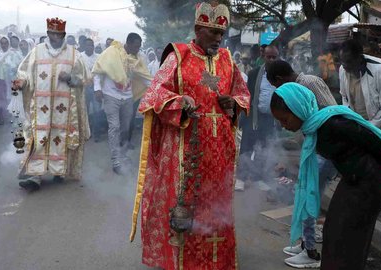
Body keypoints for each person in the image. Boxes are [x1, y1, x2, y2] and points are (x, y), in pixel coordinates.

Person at [129, 2, 251, 269]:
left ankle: (215, 260)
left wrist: (235, 104)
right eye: (212, 32)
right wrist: (180, 102)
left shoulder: (229, 60)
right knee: (187, 204)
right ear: (197, 29)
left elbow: (243, 93)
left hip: (220, 152)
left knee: (216, 206)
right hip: (187, 150)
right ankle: (182, 262)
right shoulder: (178, 56)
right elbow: (154, 95)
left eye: (221, 33)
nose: (218, 39)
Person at [270, 82, 381, 270]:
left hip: (370, 182)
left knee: (348, 237)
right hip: (354, 178)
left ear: (297, 109)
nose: (284, 125)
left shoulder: (332, 125)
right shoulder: (314, 127)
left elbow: (375, 140)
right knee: (333, 232)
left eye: (285, 119)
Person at [266, 60, 337, 268]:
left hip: (323, 150)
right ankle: (305, 244)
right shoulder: (302, 84)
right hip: (315, 148)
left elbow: (328, 114)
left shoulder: (309, 82)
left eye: (275, 86)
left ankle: (311, 252)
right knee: (303, 194)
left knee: (309, 198)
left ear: (279, 80)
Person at [11, 17, 89, 191]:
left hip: (65, 109)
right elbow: (24, 72)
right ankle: (35, 176)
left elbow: (84, 79)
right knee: (39, 138)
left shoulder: (74, 55)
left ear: (63, 35)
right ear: (47, 33)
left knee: (60, 138)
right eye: (52, 33)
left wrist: (70, 78)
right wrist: (21, 82)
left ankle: (58, 171)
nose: (54, 37)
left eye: (58, 34)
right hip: (41, 107)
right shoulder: (37, 51)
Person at [92, 33, 152, 175]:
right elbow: (98, 71)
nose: (138, 49)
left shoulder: (137, 59)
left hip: (127, 97)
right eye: (136, 46)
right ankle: (116, 161)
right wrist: (97, 89)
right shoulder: (111, 52)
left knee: (126, 128)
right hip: (110, 95)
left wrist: (160, 88)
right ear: (129, 43)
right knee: (115, 126)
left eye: (139, 47)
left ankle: (123, 156)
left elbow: (146, 79)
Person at [339, 40, 381, 142]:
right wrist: (351, 118)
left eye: (348, 61)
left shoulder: (380, 70)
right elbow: (344, 97)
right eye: (342, 61)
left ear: (359, 58)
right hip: (362, 122)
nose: (344, 65)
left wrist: (371, 127)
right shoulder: (343, 70)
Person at [238, 45, 280, 181]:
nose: (272, 60)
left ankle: (257, 178)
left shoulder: (281, 75)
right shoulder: (254, 74)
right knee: (247, 147)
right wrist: (243, 118)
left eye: (275, 57)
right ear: (263, 57)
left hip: (270, 118)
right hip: (254, 117)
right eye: (269, 57)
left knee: (264, 148)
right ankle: (242, 177)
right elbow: (247, 96)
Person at [267, 60, 337, 109]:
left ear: (279, 78)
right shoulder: (294, 90)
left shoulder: (310, 82)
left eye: (276, 86)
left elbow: (329, 109)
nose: (278, 89)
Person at [0, 36, 22, 125]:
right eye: (2, 43)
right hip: (0, 79)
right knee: (0, 100)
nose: (4, 45)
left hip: (12, 80)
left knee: (14, 98)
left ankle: (14, 118)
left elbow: (19, 66)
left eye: (6, 43)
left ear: (8, 44)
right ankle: (2, 118)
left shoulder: (14, 53)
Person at [81, 38, 103, 142]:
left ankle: (96, 134)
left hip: (96, 88)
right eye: (88, 45)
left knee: (97, 111)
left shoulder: (99, 57)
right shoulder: (80, 57)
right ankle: (85, 133)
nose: (90, 47)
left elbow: (101, 73)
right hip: (83, 88)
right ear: (84, 46)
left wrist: (99, 89)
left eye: (91, 45)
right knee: (84, 110)